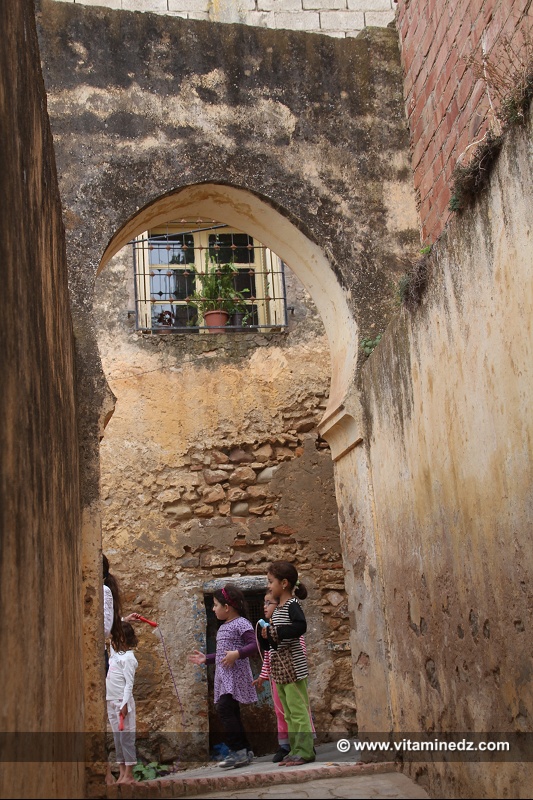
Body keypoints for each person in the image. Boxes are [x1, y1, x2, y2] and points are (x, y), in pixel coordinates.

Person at [189, 584, 258, 769]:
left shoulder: (241, 623)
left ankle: (237, 752)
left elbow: (254, 645)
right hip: (224, 675)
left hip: (234, 676)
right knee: (231, 711)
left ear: (226, 607)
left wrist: (237, 653)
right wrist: (207, 659)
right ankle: (245, 750)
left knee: (225, 710)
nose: (213, 609)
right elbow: (221, 655)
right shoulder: (224, 626)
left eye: (215, 605)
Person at [259, 561, 314, 766]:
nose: (269, 586)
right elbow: (276, 640)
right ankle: (295, 749)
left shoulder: (292, 605)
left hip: (293, 669)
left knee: (298, 710)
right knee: (288, 712)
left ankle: (306, 751)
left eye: (270, 582)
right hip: (280, 670)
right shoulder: (278, 609)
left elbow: (300, 627)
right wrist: (267, 636)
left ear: (284, 583)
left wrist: (277, 632)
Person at [106, 622, 139, 785]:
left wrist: (125, 704)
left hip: (121, 702)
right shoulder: (115, 655)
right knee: (117, 738)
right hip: (110, 700)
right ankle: (121, 773)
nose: (112, 640)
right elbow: (110, 631)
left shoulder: (128, 658)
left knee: (126, 738)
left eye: (116, 637)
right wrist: (125, 618)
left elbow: (129, 683)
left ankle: (129, 774)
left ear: (123, 639)